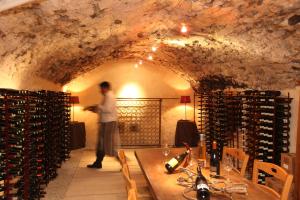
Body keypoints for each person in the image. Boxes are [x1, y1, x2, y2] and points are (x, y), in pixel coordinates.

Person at [84, 81, 119, 169]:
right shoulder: (107, 96)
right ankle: (98, 162)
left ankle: (122, 161)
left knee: (108, 145)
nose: (100, 91)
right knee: (101, 144)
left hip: (109, 123)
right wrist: (93, 109)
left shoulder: (109, 96)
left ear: (105, 88)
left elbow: (107, 109)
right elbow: (103, 110)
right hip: (105, 122)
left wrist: (97, 106)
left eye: (101, 89)